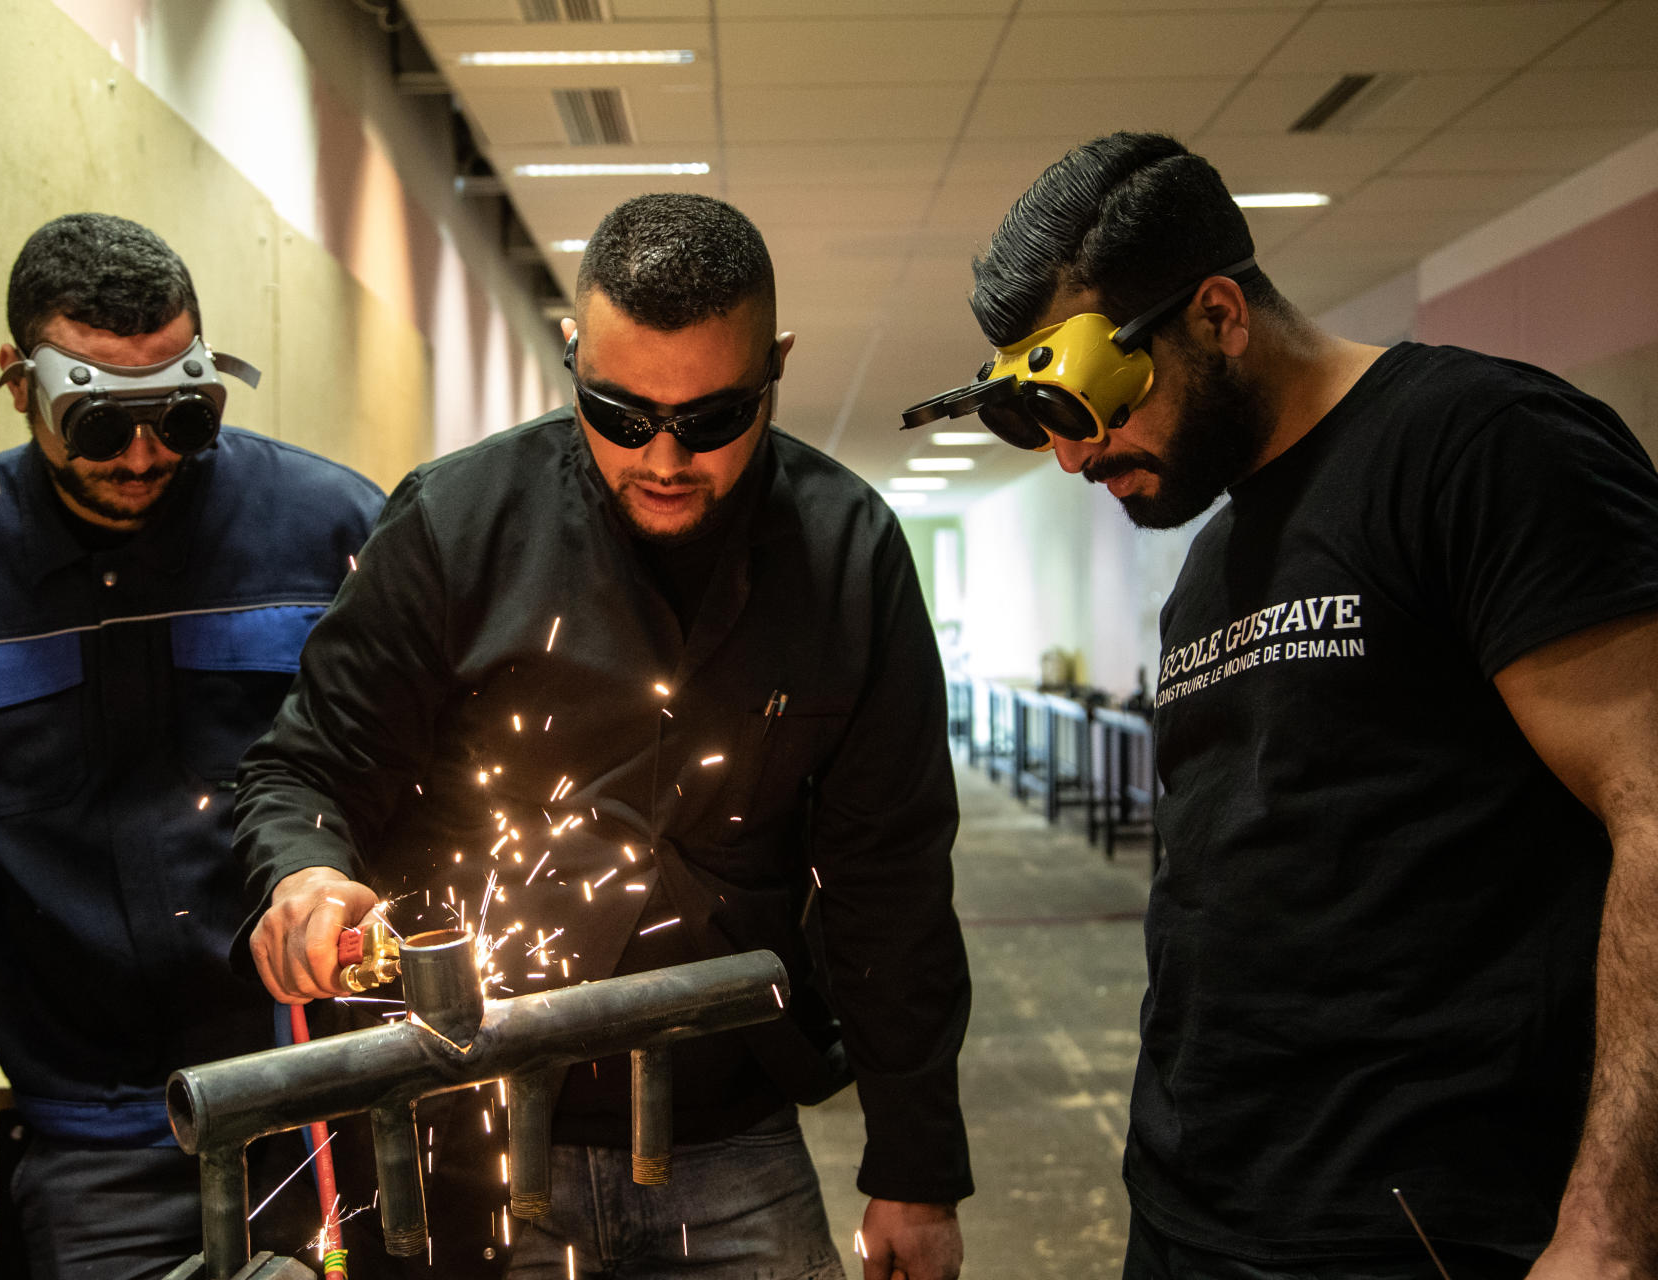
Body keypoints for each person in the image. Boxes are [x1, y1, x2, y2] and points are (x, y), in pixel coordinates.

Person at [921, 132, 1658, 1279]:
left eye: (1090, 399)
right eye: (1035, 421)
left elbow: (1653, 810)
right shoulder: (1210, 560)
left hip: (1421, 1228)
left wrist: (1611, 1226)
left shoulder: (1481, 447)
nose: (1073, 456)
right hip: (1197, 1208)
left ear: (1218, 314)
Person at [236, 193, 973, 1280]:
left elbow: (891, 878)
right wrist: (304, 874)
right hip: (469, 1126)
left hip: (731, 1124)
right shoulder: (454, 524)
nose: (667, 456)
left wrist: (915, 1166)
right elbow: (306, 767)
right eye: (622, 415)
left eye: (715, 417)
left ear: (777, 363)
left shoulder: (847, 551)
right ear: (573, 354)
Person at [0, 212, 386, 1280]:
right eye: (102, 423)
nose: (146, 454)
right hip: (99, 1130)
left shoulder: (330, 523)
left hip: (323, 1095)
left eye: (180, 417)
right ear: (20, 381)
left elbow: (396, 775)